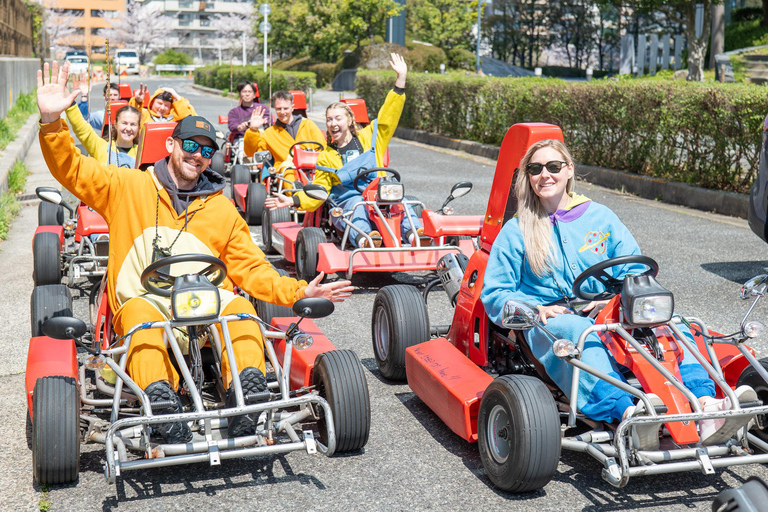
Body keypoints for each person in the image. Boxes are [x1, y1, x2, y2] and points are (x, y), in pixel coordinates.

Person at [36, 60, 354, 444]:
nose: (197, 155)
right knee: (140, 315)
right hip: (145, 302)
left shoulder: (220, 208)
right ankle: (161, 403)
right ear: (170, 145)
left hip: (203, 308)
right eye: (189, 145)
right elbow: (72, 169)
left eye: (206, 150)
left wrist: (298, 291)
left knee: (241, 309)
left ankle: (246, 393)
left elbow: (253, 269)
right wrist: (52, 122)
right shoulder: (127, 186)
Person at [480, 138, 756, 449]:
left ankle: (706, 406)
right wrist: (534, 308)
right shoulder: (516, 231)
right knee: (579, 331)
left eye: (554, 166)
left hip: (605, 304)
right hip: (552, 318)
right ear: (528, 176)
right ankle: (629, 413)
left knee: (670, 322)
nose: (545, 174)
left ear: (569, 170)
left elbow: (634, 269)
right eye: (536, 168)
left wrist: (619, 296)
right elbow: (496, 293)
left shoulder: (600, 217)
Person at [265, 53, 424, 249]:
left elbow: (388, 117)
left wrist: (400, 81)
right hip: (348, 205)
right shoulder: (326, 156)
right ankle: (367, 240)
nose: (333, 123)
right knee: (357, 204)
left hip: (379, 198)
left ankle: (416, 234)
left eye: (338, 118)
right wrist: (292, 199)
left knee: (398, 201)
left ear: (350, 121)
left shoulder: (370, 138)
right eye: (329, 120)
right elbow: (320, 190)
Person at [243, 90, 325, 184]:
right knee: (289, 178)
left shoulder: (308, 124)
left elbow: (322, 148)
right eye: (279, 109)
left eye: (285, 108)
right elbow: (251, 153)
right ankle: (297, 196)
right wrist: (253, 130)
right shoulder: (269, 133)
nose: (282, 112)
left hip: (312, 166)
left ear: (292, 108)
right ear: (274, 108)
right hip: (287, 170)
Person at [66, 73, 140, 167]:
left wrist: (138, 102)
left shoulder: (141, 152)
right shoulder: (102, 147)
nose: (128, 128)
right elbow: (83, 124)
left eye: (133, 124)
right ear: (115, 124)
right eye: (124, 123)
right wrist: (82, 98)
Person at [130, 83, 196, 124]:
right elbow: (132, 113)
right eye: (159, 103)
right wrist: (137, 101)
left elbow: (188, 117)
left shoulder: (174, 119)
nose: (162, 108)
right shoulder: (145, 115)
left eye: (166, 105)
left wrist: (177, 96)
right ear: (152, 102)